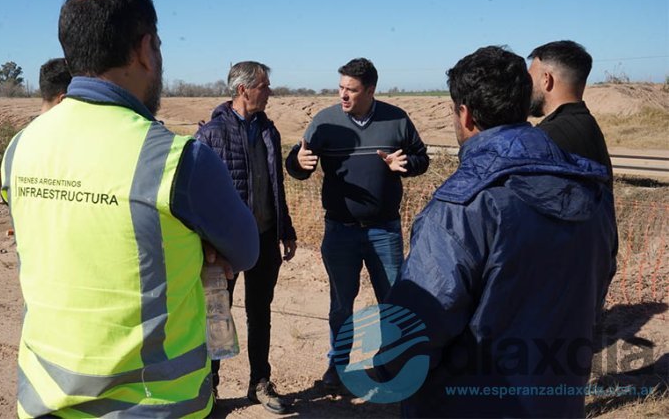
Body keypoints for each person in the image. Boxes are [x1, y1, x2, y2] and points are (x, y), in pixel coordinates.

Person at [0, 0, 259, 418]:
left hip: (43, 398)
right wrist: (200, 245)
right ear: (144, 49)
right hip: (153, 405)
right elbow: (247, 251)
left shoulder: (20, 146)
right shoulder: (178, 160)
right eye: (157, 47)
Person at [383, 46, 616, 416]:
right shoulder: (592, 189)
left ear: (466, 114)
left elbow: (413, 335)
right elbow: (598, 284)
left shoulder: (462, 208)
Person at [284, 57, 428, 391]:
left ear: (371, 90)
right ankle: (338, 367)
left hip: (385, 230)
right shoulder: (325, 121)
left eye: (352, 89)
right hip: (340, 230)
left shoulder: (397, 120)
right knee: (340, 304)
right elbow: (298, 163)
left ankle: (389, 363)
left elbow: (422, 159)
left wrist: (404, 163)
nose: (343, 95)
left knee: (391, 302)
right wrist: (299, 163)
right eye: (341, 88)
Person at [194, 61, 297, 414]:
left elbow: (276, 186)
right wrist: (205, 241)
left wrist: (286, 229)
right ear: (243, 89)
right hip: (224, 245)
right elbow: (195, 193)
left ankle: (259, 383)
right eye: (264, 87)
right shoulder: (210, 134)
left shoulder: (269, 130)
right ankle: (210, 388)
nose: (269, 92)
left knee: (260, 312)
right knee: (217, 314)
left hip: (265, 239)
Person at [528, 40, 613, 185]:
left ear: (546, 80)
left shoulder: (548, 137)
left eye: (530, 79)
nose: (527, 87)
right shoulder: (587, 125)